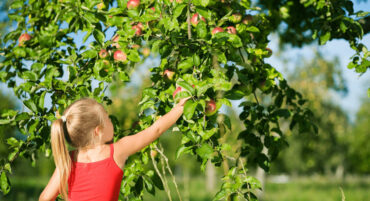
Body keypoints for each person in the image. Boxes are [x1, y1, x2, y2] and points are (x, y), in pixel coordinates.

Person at [39, 96, 191, 201]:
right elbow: (155, 130)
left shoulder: (68, 160)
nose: (111, 122)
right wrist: (181, 107)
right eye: (108, 118)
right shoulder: (117, 151)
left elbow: (45, 198)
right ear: (98, 130)